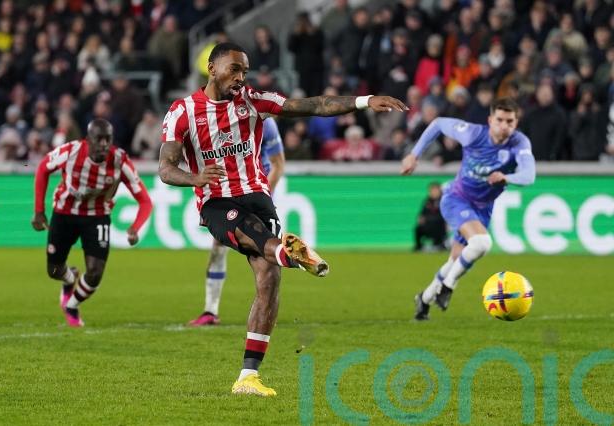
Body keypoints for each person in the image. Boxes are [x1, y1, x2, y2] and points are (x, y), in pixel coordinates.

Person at [159, 42, 407, 396]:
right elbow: (166, 168)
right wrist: (194, 178)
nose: (240, 77)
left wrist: (365, 101)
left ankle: (248, 377)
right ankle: (288, 253)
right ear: (213, 69)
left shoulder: (253, 101)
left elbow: (312, 105)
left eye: (244, 71)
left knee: (269, 277)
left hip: (257, 196)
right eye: (234, 69)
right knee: (258, 241)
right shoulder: (182, 111)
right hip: (216, 200)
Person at [400, 98, 535, 321]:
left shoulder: (519, 143)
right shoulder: (472, 134)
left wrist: (506, 177)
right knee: (482, 243)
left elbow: (529, 175)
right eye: (499, 120)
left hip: (483, 208)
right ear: (490, 120)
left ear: (516, 123)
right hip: (457, 199)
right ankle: (448, 287)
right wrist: (414, 154)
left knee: (456, 260)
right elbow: (438, 124)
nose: (504, 126)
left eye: (509, 121)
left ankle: (424, 299)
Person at [31, 119, 152, 327]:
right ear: (88, 139)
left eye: (108, 139)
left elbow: (145, 201)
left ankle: (72, 305)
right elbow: (43, 168)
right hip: (64, 213)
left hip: (97, 216)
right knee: (54, 271)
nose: (104, 144)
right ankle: (70, 278)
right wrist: (39, 211)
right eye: (99, 139)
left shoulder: (120, 160)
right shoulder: (71, 151)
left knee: (95, 272)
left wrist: (135, 228)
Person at [189, 116, 285, 326]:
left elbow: (278, 165)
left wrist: (265, 195)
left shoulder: (265, 123)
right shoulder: (222, 118)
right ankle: (210, 311)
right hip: (231, 194)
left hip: (257, 194)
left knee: (266, 259)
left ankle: (265, 311)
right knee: (218, 245)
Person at [413, 182, 447, 252]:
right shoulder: (427, 201)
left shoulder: (444, 200)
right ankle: (418, 246)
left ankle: (440, 244)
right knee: (418, 228)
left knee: (438, 223)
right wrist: (420, 218)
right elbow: (422, 214)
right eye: (432, 190)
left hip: (439, 225)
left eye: (435, 190)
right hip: (428, 225)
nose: (434, 192)